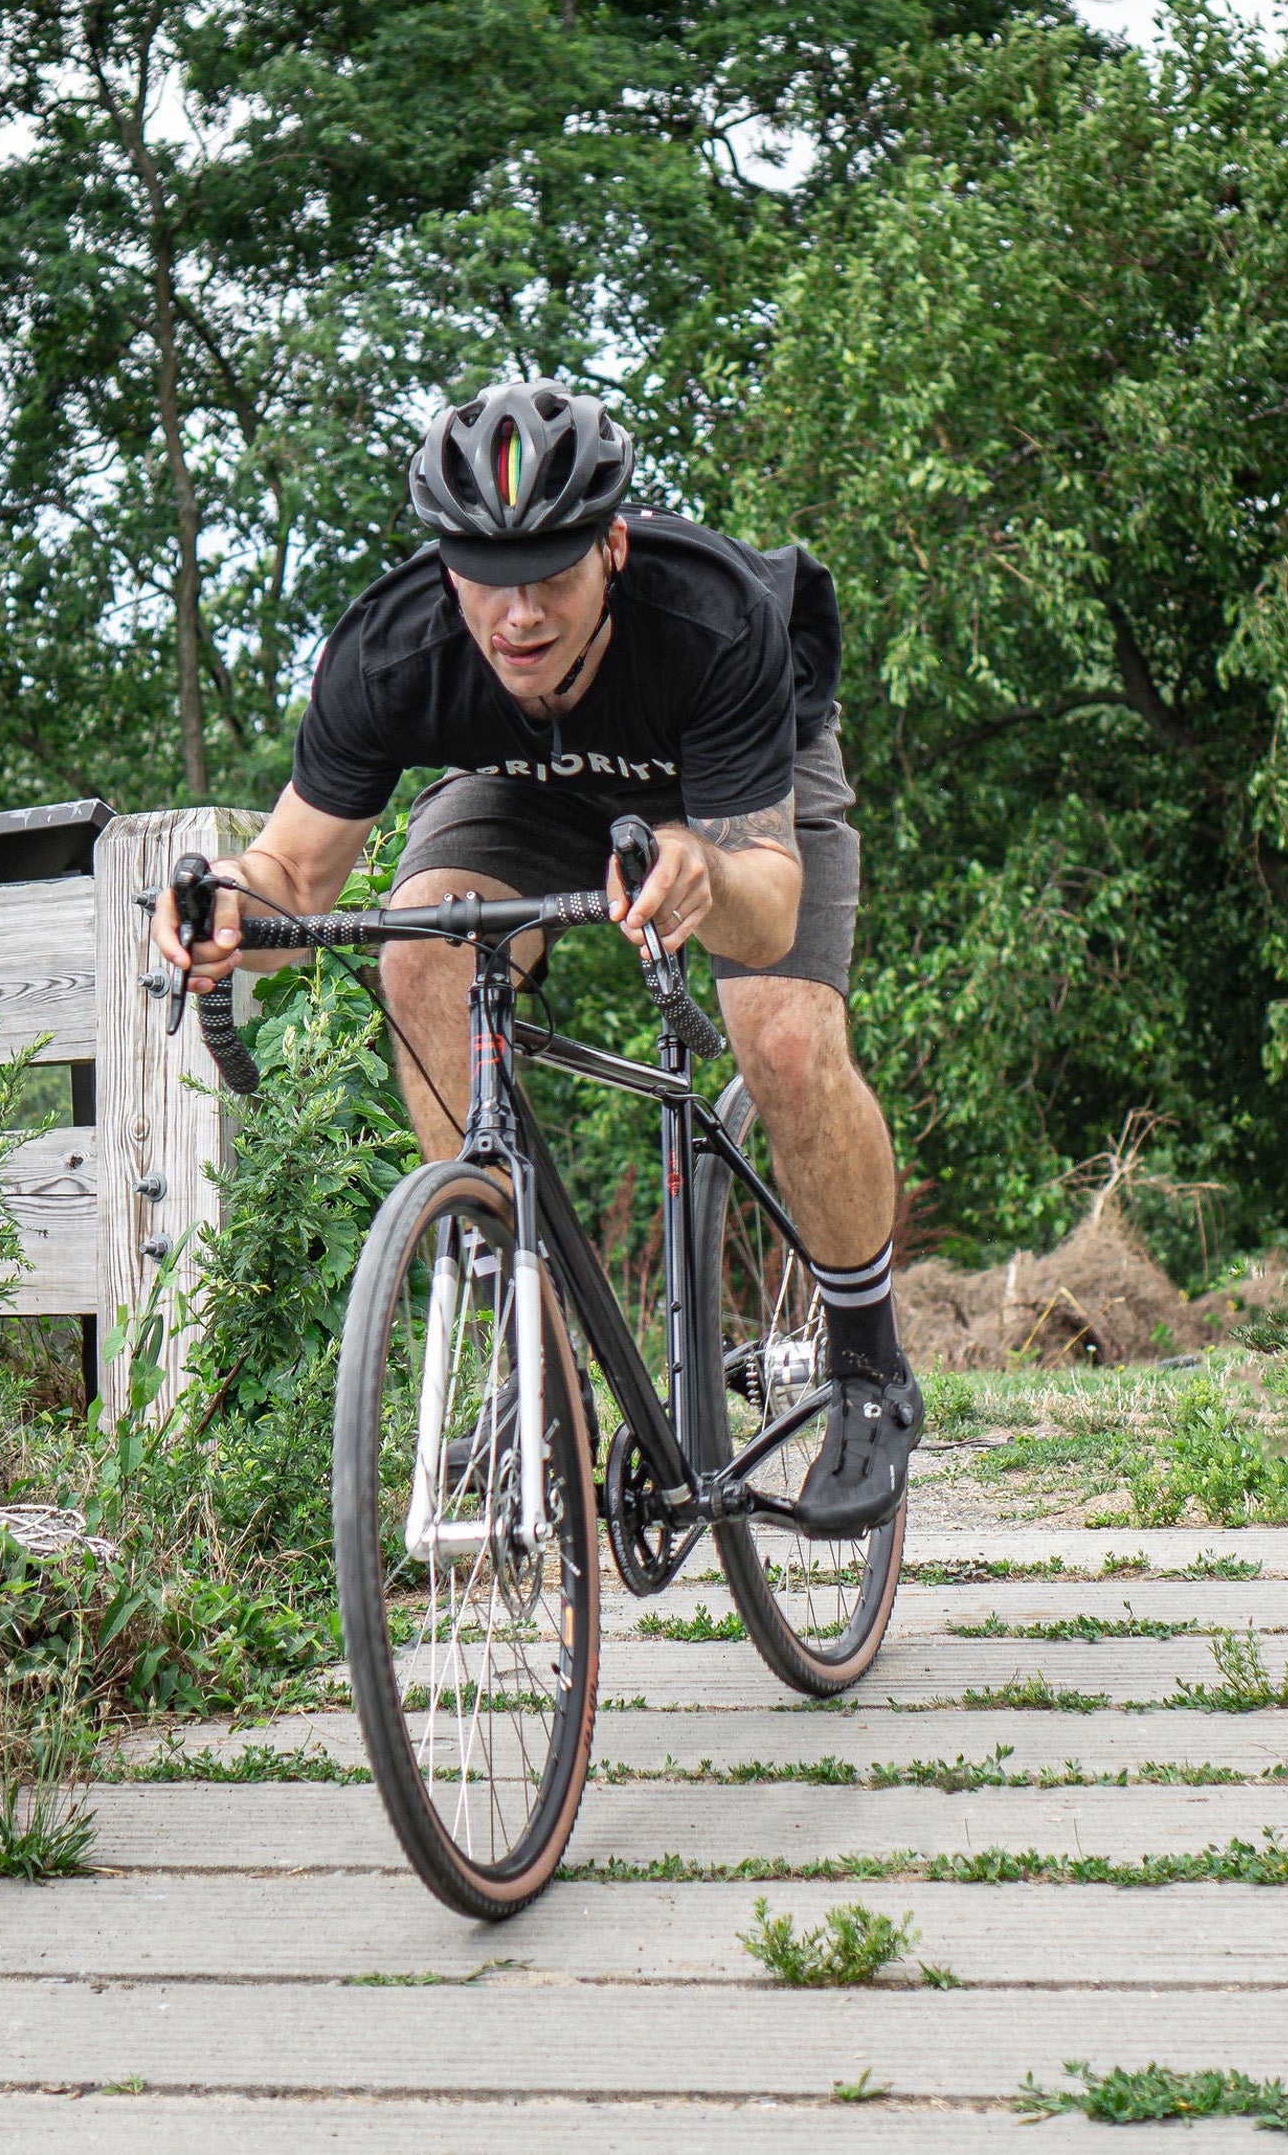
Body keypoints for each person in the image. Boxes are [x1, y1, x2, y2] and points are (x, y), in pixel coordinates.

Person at [152, 377, 919, 1536]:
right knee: (422, 963)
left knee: (784, 1037)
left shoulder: (712, 618)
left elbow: (766, 909)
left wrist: (702, 876)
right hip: (528, 784)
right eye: (486, 583)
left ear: (612, 545)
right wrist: (222, 913)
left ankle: (869, 1365)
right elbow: (293, 878)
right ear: (445, 567)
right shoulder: (392, 652)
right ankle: (535, 1369)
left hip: (730, 791)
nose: (518, 617)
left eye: (552, 578)